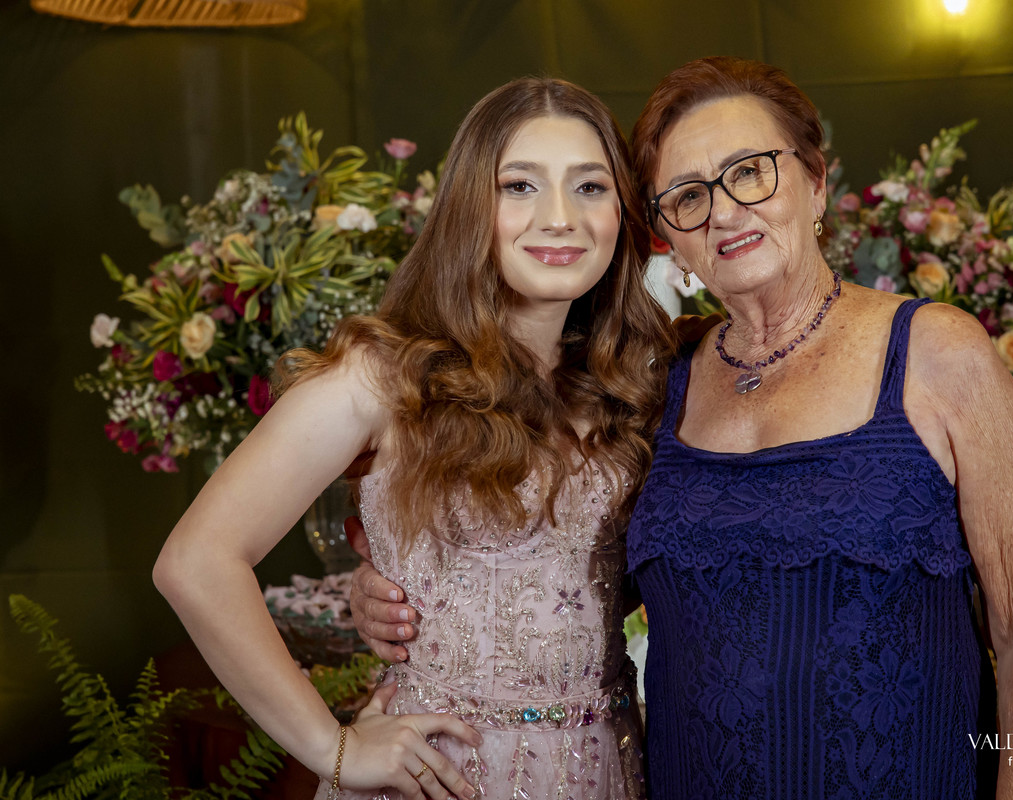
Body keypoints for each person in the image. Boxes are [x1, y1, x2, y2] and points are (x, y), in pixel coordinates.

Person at [350, 57, 1013, 800]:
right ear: (669, 235)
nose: (724, 213)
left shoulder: (937, 353)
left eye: (750, 172)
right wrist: (403, 592)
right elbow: (564, 569)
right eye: (689, 196)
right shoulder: (655, 380)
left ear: (816, 182)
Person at [154, 76, 674, 800]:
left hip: (610, 770)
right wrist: (331, 748)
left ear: (623, 212)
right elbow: (196, 560)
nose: (560, 217)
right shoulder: (386, 373)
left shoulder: (634, 382)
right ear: (468, 206)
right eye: (519, 186)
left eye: (590, 187)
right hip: (442, 776)